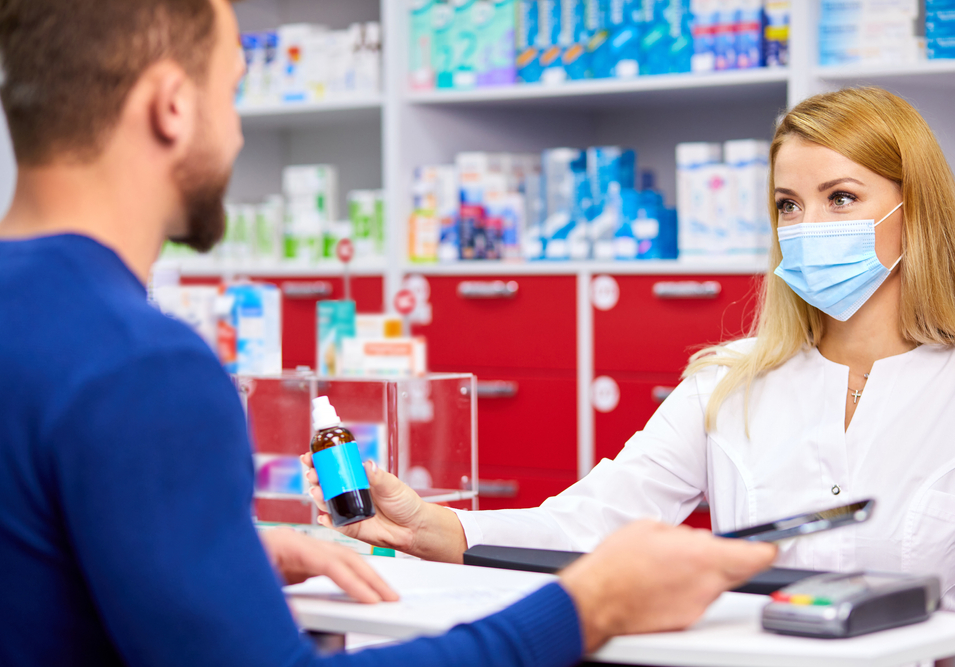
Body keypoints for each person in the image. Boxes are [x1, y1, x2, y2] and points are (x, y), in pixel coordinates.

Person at [0, 0, 778, 665]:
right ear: (172, 106)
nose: (236, 137)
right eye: (232, 94)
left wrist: (217, 564)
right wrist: (585, 607)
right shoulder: (142, 366)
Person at [304, 85, 955, 614]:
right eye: (788, 204)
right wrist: (433, 524)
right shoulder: (728, 383)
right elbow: (591, 522)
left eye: (841, 198)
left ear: (917, 214)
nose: (808, 226)